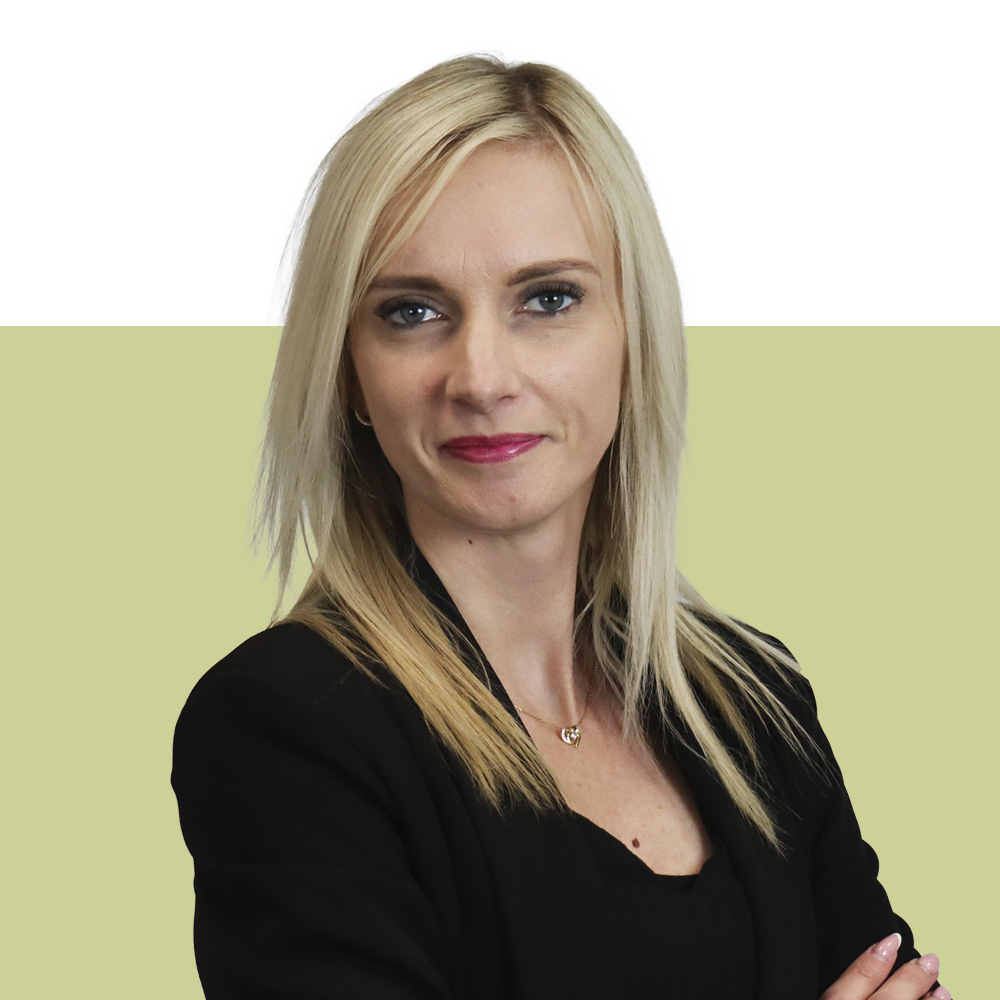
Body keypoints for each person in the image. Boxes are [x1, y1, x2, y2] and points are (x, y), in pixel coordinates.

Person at [172, 55, 949, 1000]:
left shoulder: (756, 701)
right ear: (351, 376)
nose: (482, 377)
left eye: (547, 299)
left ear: (633, 334)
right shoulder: (286, 726)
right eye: (412, 312)